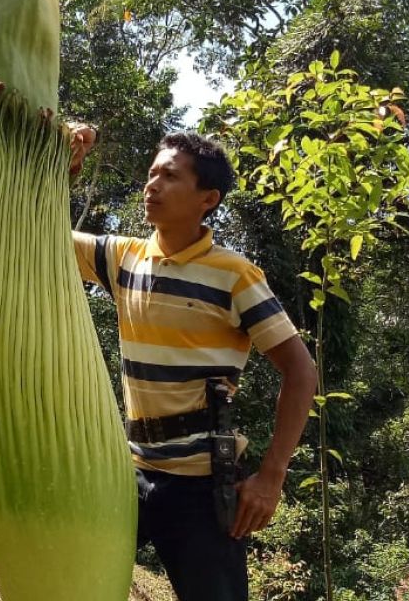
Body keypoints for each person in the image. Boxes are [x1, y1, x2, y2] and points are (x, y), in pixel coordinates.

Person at [69, 127, 318, 601]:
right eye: (151, 174)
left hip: (202, 488)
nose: (152, 185)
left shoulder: (234, 275)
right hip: (127, 475)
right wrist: (63, 160)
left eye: (169, 176)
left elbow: (301, 370)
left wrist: (271, 476)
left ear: (208, 198)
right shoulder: (125, 258)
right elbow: (40, 232)